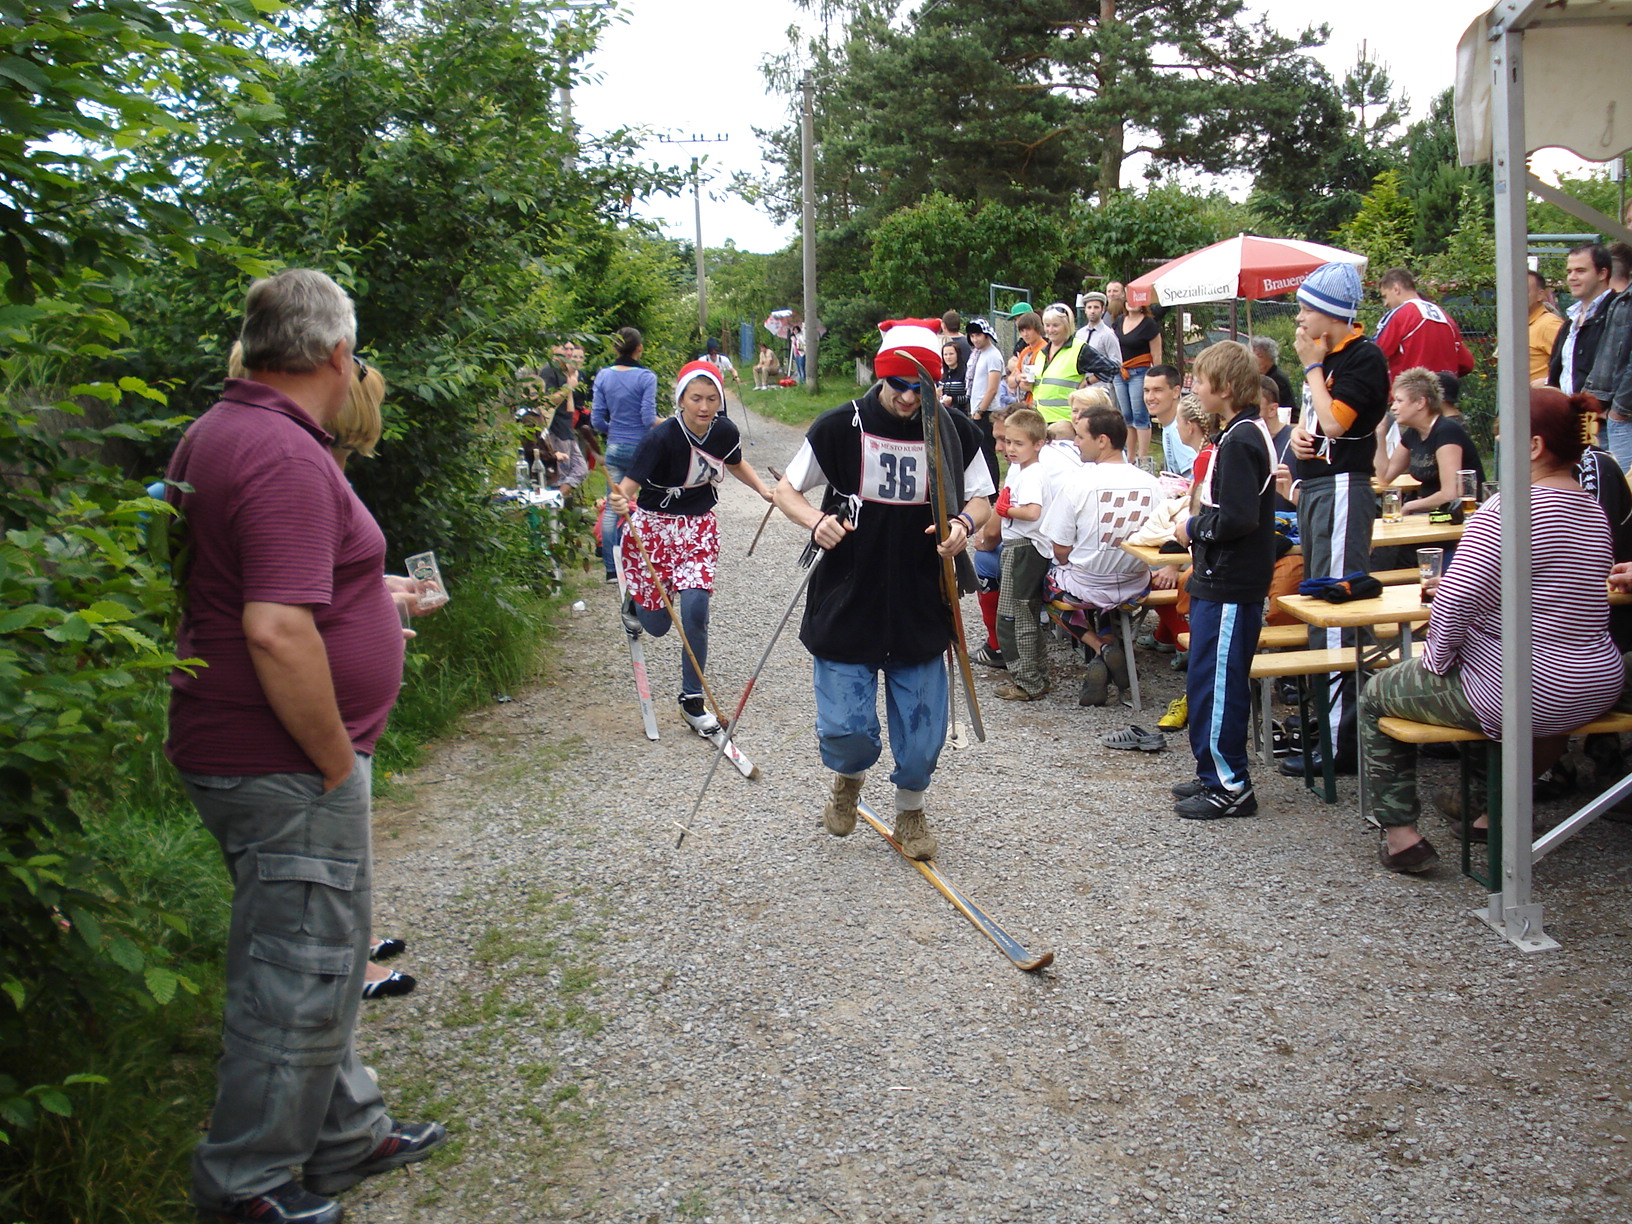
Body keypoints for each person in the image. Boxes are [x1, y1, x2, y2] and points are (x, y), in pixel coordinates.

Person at [167, 271, 445, 1224]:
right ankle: (245, 1186)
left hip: (251, 748)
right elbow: (276, 630)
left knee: (317, 958)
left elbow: (284, 586)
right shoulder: (282, 455)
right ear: (336, 354)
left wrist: (376, 601)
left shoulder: (224, 430)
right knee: (293, 975)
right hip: (280, 758)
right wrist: (332, 760)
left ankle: (343, 1133)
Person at [1360, 387, 1624, 872]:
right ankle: (1483, 815)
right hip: (1593, 682)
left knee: (1377, 692)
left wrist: (1437, 660)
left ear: (1535, 447)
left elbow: (1456, 601)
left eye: (1505, 438)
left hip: (1526, 686)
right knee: (1488, 689)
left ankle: (1401, 837)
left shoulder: (1509, 510)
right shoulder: (1594, 511)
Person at [770, 319, 994, 861]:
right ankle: (848, 779)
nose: (909, 398)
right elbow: (786, 489)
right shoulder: (840, 424)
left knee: (922, 738)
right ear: (881, 376)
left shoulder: (955, 429)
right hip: (849, 595)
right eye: (899, 386)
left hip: (921, 598)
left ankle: (911, 811)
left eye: (922, 388)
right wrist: (814, 521)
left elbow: (984, 499)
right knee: (847, 730)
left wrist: (963, 524)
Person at [609, 361, 774, 735]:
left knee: (696, 608)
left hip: (698, 527)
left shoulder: (723, 431)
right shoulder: (660, 438)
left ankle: (691, 699)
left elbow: (735, 463)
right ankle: (636, 601)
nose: (704, 406)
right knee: (657, 626)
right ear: (680, 399)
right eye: (695, 398)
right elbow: (627, 489)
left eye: (711, 398)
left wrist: (763, 489)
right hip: (655, 530)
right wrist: (619, 501)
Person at [1284, 262, 1391, 778]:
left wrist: (1309, 367)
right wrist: (1301, 440)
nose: (1300, 320)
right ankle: (1324, 730)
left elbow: (1337, 421)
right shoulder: (1327, 358)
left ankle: (1340, 744)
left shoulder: (1362, 358)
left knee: (1335, 599)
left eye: (1307, 309)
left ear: (1330, 315)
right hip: (1319, 486)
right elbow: (1317, 425)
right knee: (1316, 600)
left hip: (1346, 488)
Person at [1170, 341, 1278, 819]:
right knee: (1205, 677)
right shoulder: (1238, 433)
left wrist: (1192, 528)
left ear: (1227, 388)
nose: (1192, 386)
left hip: (1234, 582)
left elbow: (1238, 518)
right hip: (1220, 577)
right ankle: (1211, 771)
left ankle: (1231, 784)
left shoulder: (1241, 440)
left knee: (1219, 683)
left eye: (1200, 379)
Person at [1042, 406, 1163, 706]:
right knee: (1109, 600)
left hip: (1086, 585)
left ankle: (1099, 647)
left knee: (1048, 590)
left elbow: (1059, 548)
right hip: (1137, 587)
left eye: (1081, 437)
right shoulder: (1152, 483)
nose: (1075, 443)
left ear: (1103, 440)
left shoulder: (1078, 483)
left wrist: (1073, 561)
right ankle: (1110, 645)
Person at [991, 408, 1057, 702]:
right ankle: (1036, 676)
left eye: (1019, 443)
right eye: (1008, 442)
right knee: (1024, 613)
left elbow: (1032, 513)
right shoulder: (1021, 471)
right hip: (1022, 547)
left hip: (1025, 548)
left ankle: (1027, 681)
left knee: (1015, 617)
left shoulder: (1033, 474)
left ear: (1038, 444)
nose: (1010, 449)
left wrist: (1006, 510)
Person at [592, 326, 658, 582]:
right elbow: (648, 418)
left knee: (612, 506)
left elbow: (597, 420)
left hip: (615, 447)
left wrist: (615, 430)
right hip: (643, 448)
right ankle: (645, 560)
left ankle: (612, 569)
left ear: (614, 348)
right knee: (648, 503)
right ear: (639, 349)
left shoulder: (603, 376)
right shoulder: (646, 378)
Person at [1377, 367, 1484, 514]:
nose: (1393, 407)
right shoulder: (1413, 432)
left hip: (1459, 514)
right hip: (1431, 512)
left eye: (1399, 401)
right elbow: (1384, 477)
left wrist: (1410, 506)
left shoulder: (1447, 431)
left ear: (1421, 403)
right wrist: (1380, 433)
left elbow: (1450, 494)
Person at [1372, 267, 1475, 383]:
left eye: (1385, 296)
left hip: (1410, 393)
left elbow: (1375, 352)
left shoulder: (1401, 314)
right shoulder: (1446, 317)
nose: (1386, 304)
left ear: (1396, 289)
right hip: (1442, 394)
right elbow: (1467, 363)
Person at [1584, 242, 1632, 470]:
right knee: (1602, 486)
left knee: (1621, 491)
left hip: (1618, 412)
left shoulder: (1623, 300)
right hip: (1599, 410)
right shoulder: (1615, 302)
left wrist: (1620, 410)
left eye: (1581, 270)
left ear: (1604, 273)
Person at [1033, 302, 1120, 425]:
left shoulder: (1078, 349)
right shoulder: (1042, 353)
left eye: (1055, 325)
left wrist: (1087, 382)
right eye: (1047, 325)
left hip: (1065, 420)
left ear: (1066, 325)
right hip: (1041, 419)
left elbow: (1111, 368)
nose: (1050, 330)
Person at [1548, 242, 1613, 396]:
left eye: (1580, 271)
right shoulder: (1571, 320)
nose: (1572, 277)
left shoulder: (1617, 313)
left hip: (1602, 415)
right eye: (1569, 272)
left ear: (1602, 274)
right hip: (1569, 412)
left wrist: (1615, 412)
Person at [1111, 291, 1163, 462]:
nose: (1131, 303)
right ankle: (1130, 457)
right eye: (1128, 300)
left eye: (1135, 300)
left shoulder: (1149, 324)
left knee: (1139, 414)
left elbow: (1156, 354)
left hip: (1140, 372)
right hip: (1120, 372)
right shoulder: (1119, 321)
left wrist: (1155, 377)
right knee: (1126, 415)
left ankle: (1143, 458)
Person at [965, 316, 1006, 485]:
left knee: (988, 452)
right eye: (972, 336)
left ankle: (993, 491)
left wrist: (980, 410)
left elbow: (992, 387)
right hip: (976, 409)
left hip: (986, 411)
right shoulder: (977, 354)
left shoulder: (993, 356)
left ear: (986, 335)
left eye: (978, 335)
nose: (975, 339)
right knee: (980, 453)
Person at [1143, 364, 1197, 478]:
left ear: (1176, 392)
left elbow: (1195, 476)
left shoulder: (1180, 428)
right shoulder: (1170, 425)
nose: (1150, 397)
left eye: (1157, 390)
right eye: (1146, 391)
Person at [1526, 269, 1565, 386]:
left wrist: (1547, 383)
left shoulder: (1549, 325)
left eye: (1523, 290)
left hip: (1540, 400)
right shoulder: (1517, 326)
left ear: (1540, 295)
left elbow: (1573, 366)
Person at [1075, 290, 1122, 377]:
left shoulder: (1108, 334)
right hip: (1081, 385)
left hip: (1101, 386)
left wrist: (1091, 380)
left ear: (1103, 310)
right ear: (1085, 310)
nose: (1092, 311)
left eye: (1096, 307)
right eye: (1089, 307)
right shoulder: (1080, 334)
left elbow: (1117, 364)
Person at [1251, 335, 1295, 408]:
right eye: (1253, 355)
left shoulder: (1278, 379)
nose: (1254, 359)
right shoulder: (1257, 376)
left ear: (1270, 358)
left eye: (1259, 356)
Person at [939, 339, 969, 416]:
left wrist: (953, 399)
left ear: (957, 355)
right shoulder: (942, 374)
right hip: (944, 414)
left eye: (951, 354)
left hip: (961, 414)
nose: (948, 357)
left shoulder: (965, 373)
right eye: (945, 354)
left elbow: (969, 397)